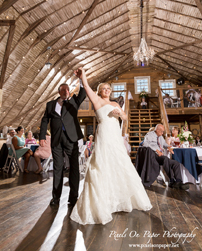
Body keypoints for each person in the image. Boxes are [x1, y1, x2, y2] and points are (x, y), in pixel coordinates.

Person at [69, 68, 151, 225]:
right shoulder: (97, 101)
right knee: (102, 163)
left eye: (108, 88)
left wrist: (119, 114)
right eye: (103, 89)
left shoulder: (114, 103)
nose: (106, 90)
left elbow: (125, 116)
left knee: (119, 162)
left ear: (111, 91)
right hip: (104, 134)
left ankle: (120, 200)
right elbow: (86, 87)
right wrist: (83, 75)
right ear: (100, 92)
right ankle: (103, 202)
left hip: (115, 135)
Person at [39, 81, 86, 207]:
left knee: (74, 168)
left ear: (69, 92)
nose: (65, 92)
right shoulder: (50, 105)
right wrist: (42, 136)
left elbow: (83, 94)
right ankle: (56, 198)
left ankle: (73, 197)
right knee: (57, 168)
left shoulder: (73, 102)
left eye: (67, 90)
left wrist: (81, 80)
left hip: (71, 139)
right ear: (59, 92)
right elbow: (44, 120)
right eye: (63, 90)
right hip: (56, 140)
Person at [142, 124, 188, 190]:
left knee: (176, 163)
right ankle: (171, 180)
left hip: (161, 157)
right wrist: (157, 150)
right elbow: (145, 144)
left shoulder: (160, 136)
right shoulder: (149, 135)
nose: (162, 133)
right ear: (157, 130)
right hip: (153, 156)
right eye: (161, 131)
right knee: (165, 159)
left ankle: (178, 181)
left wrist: (168, 147)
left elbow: (164, 144)